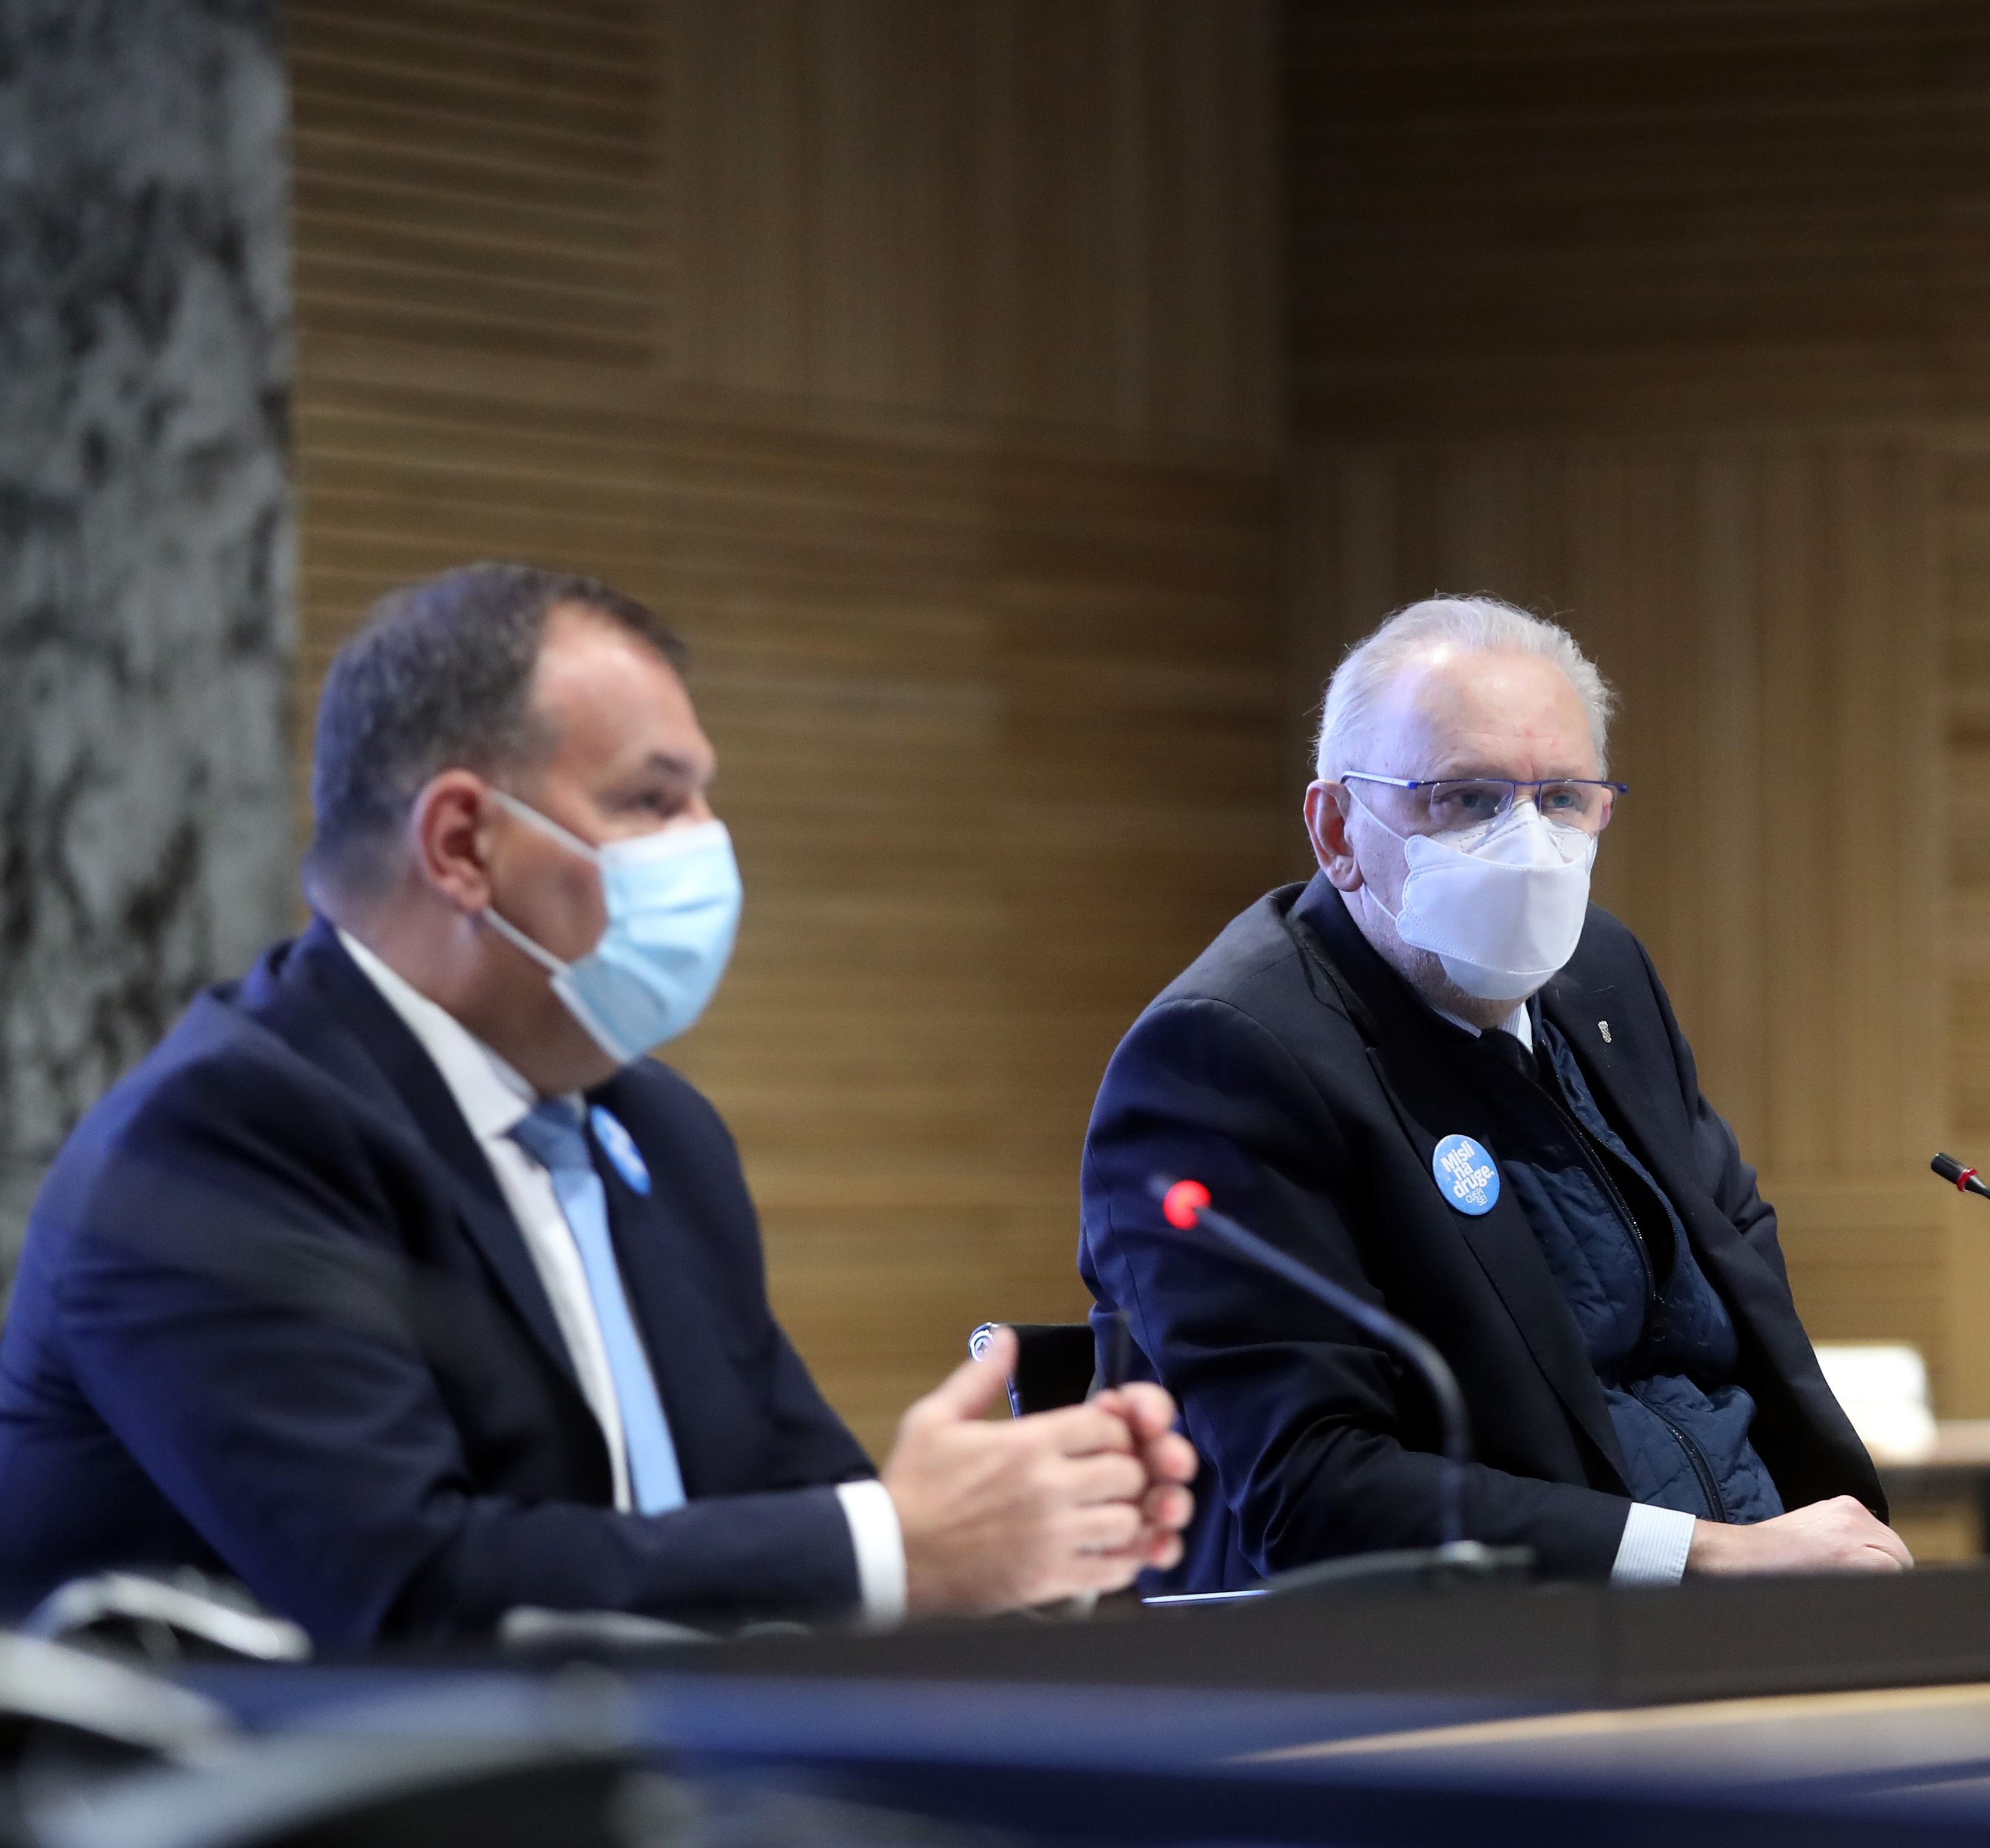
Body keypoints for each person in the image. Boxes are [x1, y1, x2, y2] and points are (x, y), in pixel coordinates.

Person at [0, 563, 1195, 1644]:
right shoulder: (223, 1141)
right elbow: (406, 1595)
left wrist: (1026, 1533)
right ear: (461, 844)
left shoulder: (659, 1133)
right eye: (654, 802)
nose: (710, 845)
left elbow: (791, 1521)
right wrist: (892, 1549)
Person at [1079, 595, 1906, 1592]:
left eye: (1562, 799)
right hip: (1466, 1651)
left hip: (1748, 1613)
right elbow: (1313, 1490)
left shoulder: (1601, 975)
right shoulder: (1225, 1058)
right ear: (1337, 829)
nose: (1528, 845)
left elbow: (1734, 1281)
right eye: (1466, 799)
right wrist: (1707, 1556)